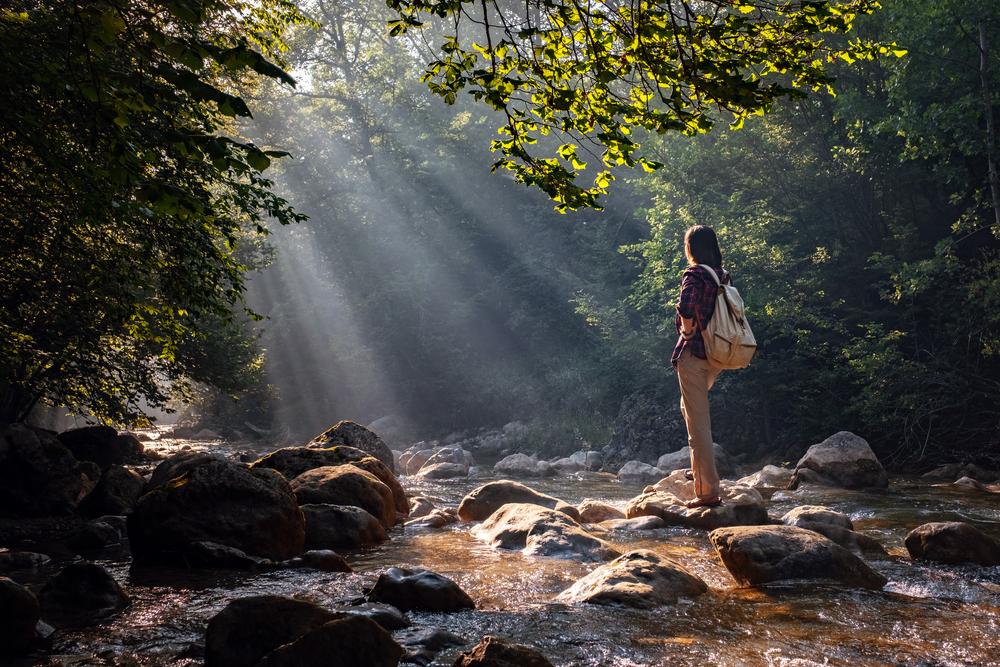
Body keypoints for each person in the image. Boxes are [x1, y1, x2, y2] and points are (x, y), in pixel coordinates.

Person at [671, 225, 728, 509]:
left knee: (698, 426)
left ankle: (707, 493)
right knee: (689, 410)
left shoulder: (694, 274)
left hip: (693, 354)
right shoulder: (721, 275)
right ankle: (701, 477)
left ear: (691, 248)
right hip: (716, 355)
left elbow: (686, 304)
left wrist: (688, 329)